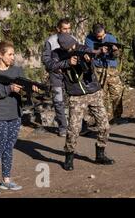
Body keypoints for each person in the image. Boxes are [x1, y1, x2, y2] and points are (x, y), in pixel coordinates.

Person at [49, 33, 114, 171]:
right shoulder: (56, 54)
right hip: (76, 96)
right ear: (62, 47)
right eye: (69, 47)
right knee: (74, 129)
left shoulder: (83, 48)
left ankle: (100, 154)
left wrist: (91, 57)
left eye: (73, 45)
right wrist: (67, 63)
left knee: (104, 126)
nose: (73, 48)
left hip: (94, 92)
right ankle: (69, 157)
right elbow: (50, 65)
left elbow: (93, 53)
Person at [0, 41, 35, 195]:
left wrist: (32, 89)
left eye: (14, 54)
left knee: (9, 149)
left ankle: (6, 180)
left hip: (15, 116)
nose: (13, 57)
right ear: (0, 55)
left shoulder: (17, 71)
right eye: (10, 54)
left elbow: (26, 90)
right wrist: (10, 88)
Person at [85, 23, 127, 125]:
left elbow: (116, 55)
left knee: (117, 92)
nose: (101, 38)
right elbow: (88, 53)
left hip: (111, 69)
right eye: (98, 36)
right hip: (98, 70)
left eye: (103, 35)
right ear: (94, 33)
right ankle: (101, 119)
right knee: (101, 95)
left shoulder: (111, 38)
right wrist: (100, 50)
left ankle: (118, 117)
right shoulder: (89, 39)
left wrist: (115, 51)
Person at [42, 18, 71, 137]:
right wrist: (56, 66)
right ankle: (63, 127)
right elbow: (46, 60)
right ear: (58, 29)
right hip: (56, 75)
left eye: (69, 28)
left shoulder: (73, 39)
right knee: (58, 101)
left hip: (70, 75)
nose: (67, 31)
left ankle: (77, 125)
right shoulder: (51, 41)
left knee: (75, 101)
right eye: (64, 29)